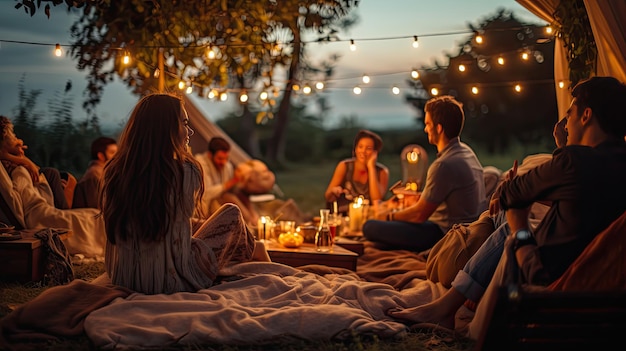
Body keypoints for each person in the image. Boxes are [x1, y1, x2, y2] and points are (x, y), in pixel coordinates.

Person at [388, 76, 626, 330]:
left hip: (538, 274)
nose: (565, 124)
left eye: (570, 115)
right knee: (500, 219)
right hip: (587, 275)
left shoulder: (573, 161)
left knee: (508, 226)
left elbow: (512, 193)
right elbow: (580, 196)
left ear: (586, 115)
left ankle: (449, 296)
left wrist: (564, 150)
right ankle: (453, 288)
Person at [101, 93, 270, 295]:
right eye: (184, 123)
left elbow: (170, 225)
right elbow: (179, 239)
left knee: (205, 222)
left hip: (126, 278)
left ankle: (254, 247)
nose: (189, 131)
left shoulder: (115, 170)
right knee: (231, 213)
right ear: (166, 128)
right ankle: (257, 252)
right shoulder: (184, 171)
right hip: (172, 281)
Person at [362, 95, 487, 252]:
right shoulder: (466, 152)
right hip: (469, 229)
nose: (425, 129)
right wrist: (417, 198)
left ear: (439, 128)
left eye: (428, 124)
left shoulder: (444, 164)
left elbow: (419, 215)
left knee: (370, 226)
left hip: (447, 234)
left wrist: (388, 216)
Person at [0, 116, 106, 258]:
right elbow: (28, 197)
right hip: (38, 217)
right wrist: (21, 160)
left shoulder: (17, 165)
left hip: (42, 209)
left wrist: (23, 159)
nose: (19, 140)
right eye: (13, 135)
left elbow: (35, 175)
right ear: (3, 139)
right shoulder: (16, 169)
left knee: (95, 214)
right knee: (95, 219)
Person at [0, 116, 71, 210]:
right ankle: (65, 213)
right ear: (4, 136)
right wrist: (25, 161)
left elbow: (35, 168)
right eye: (12, 133)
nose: (15, 137)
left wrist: (20, 155)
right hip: (30, 186)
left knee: (61, 176)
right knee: (52, 173)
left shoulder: (10, 156)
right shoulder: (5, 159)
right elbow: (34, 171)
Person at [194, 137, 259, 224]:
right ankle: (246, 225)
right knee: (228, 198)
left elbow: (231, 190)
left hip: (223, 203)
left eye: (226, 158)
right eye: (220, 159)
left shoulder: (227, 166)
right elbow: (206, 194)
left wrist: (241, 181)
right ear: (210, 155)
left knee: (240, 196)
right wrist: (232, 182)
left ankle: (252, 222)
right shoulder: (200, 164)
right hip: (204, 207)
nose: (224, 162)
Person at [324, 129, 390, 214]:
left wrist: (371, 168)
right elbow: (328, 195)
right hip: (344, 215)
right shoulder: (344, 166)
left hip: (369, 218)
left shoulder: (382, 172)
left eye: (368, 148)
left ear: (375, 152)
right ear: (355, 149)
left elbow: (376, 200)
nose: (363, 151)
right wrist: (334, 191)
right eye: (360, 147)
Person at [72, 136, 118, 209]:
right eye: (112, 153)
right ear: (101, 156)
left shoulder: (104, 173)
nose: (116, 156)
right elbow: (98, 208)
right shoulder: (96, 174)